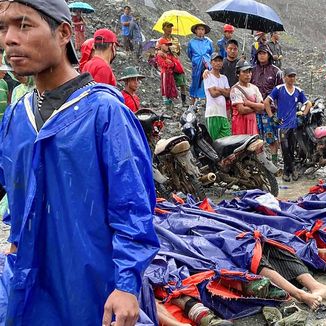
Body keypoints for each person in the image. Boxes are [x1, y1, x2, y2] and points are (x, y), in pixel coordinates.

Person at [0, 0, 159, 324]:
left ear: (63, 33)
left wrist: (126, 286)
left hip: (94, 293)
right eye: (3, 28)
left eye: (24, 25)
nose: (10, 39)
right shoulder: (17, 116)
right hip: (29, 291)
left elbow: (133, 209)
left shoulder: (105, 114)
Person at [264, 68, 312, 182]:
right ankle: (290, 170)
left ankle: (289, 170)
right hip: (282, 125)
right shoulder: (279, 89)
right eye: (289, 76)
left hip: (294, 125)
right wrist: (272, 117)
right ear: (284, 77)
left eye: (293, 76)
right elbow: (266, 102)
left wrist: (303, 115)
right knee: (285, 148)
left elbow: (308, 103)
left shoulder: (298, 91)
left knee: (291, 148)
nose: (292, 78)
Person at [251, 45, 283, 166]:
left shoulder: (276, 72)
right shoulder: (252, 71)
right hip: (255, 110)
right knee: (256, 139)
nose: (261, 55)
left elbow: (281, 92)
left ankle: (274, 163)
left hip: (270, 111)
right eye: (259, 53)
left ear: (269, 55)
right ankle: (261, 164)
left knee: (271, 138)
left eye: (264, 53)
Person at [230, 60, 264, 135]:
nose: (248, 74)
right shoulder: (235, 89)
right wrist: (256, 107)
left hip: (252, 123)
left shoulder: (254, 88)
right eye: (244, 72)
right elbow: (241, 110)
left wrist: (249, 103)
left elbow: (262, 107)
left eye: (249, 72)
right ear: (238, 74)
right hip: (240, 124)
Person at [204, 53, 231, 141]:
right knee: (213, 140)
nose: (218, 63)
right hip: (212, 113)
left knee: (227, 139)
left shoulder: (224, 78)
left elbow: (228, 93)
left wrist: (219, 89)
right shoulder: (208, 76)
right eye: (215, 61)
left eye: (220, 61)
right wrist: (223, 91)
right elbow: (213, 93)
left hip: (223, 114)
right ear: (211, 63)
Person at [161, 21, 187, 105]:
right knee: (169, 83)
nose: (170, 29)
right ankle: (169, 102)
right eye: (168, 27)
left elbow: (178, 53)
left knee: (182, 83)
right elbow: (159, 52)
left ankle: (184, 101)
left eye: (171, 27)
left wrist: (178, 48)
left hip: (176, 64)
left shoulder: (175, 40)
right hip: (167, 64)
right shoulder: (161, 41)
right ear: (163, 29)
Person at [187, 23, 213, 104]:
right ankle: (192, 101)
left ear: (205, 31)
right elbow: (189, 54)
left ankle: (207, 101)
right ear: (195, 31)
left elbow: (211, 52)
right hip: (197, 64)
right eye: (199, 29)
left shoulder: (208, 42)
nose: (201, 31)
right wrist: (196, 60)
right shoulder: (191, 42)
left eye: (202, 29)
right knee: (195, 81)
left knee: (208, 81)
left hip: (207, 64)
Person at [156, 38, 184, 103]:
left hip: (170, 73)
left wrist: (170, 63)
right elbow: (163, 64)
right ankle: (167, 102)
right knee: (165, 87)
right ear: (161, 45)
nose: (167, 46)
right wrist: (169, 63)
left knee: (171, 87)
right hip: (165, 73)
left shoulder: (167, 55)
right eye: (165, 45)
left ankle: (171, 102)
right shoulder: (159, 55)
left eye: (168, 45)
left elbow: (173, 63)